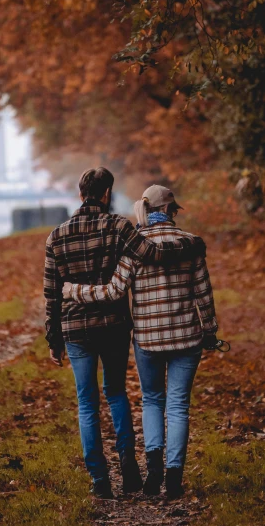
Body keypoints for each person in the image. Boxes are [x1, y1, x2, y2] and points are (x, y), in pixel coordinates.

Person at [43, 169, 205, 499]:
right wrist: (192, 246)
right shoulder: (119, 226)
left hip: (75, 329)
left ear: (80, 194)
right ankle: (130, 472)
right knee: (116, 393)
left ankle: (100, 481)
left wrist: (53, 338)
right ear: (106, 194)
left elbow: (51, 293)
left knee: (86, 404)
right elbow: (153, 255)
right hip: (114, 327)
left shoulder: (55, 236)